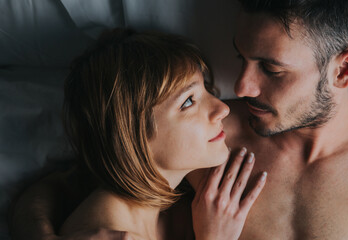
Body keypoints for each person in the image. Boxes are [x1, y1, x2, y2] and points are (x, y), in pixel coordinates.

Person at [10, 0, 348, 239]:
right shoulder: (211, 137)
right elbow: (61, 189)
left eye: (271, 69)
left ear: (344, 70)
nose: (241, 86)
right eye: (241, 58)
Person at [10, 28, 267, 240]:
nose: (222, 108)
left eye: (207, 89)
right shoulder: (111, 234)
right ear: (132, 135)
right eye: (188, 102)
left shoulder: (146, 207)